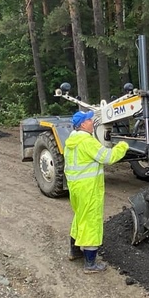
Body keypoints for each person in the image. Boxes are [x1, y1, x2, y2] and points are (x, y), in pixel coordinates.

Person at [64, 109, 129, 273]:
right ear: (83, 124)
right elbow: (107, 157)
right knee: (91, 221)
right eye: (89, 120)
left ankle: (75, 252)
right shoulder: (87, 141)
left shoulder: (71, 140)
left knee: (80, 217)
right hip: (89, 187)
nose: (92, 122)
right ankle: (90, 264)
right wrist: (123, 145)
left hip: (76, 187)